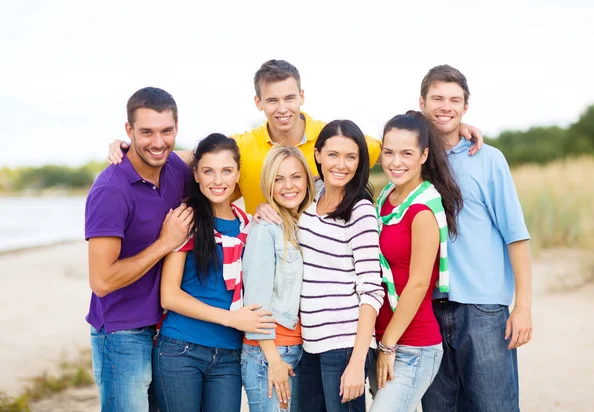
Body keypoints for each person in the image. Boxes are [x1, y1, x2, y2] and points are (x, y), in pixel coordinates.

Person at [106, 60, 484, 214]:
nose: (282, 107)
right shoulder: (243, 146)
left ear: (302, 96)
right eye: (272, 100)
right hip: (269, 270)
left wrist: (448, 129)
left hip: (326, 271)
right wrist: (130, 151)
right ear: (259, 102)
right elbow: (190, 157)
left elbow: (401, 143)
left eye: (289, 97)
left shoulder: (336, 139)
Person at [418, 65, 533, 412]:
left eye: (455, 100)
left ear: (466, 107)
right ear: (421, 102)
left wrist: (523, 306)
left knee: (494, 406)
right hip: (428, 309)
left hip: (483, 310)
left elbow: (516, 236)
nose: (446, 106)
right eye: (437, 98)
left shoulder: (488, 158)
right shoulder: (413, 160)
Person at [85, 87, 194, 411]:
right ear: (128, 131)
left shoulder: (176, 168)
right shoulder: (110, 190)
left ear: (177, 128)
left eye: (166, 131)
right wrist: (164, 243)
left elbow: (221, 157)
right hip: (122, 333)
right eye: (146, 132)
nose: (158, 142)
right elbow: (101, 281)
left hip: (169, 328)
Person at [152, 133, 276, 412]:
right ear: (195, 174)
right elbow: (169, 296)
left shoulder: (249, 225)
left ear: (238, 175)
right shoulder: (186, 220)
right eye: (208, 171)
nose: (218, 181)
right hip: (181, 349)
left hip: (229, 356)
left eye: (226, 171)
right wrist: (232, 319)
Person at [369, 111, 463, 411]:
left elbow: (419, 283)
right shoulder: (386, 197)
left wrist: (388, 346)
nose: (396, 162)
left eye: (407, 153)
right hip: (384, 340)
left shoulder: (422, 209)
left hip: (412, 346)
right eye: (389, 153)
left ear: (424, 155)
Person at [296, 120, 385, 412]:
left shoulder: (360, 211)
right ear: (318, 154)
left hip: (345, 345)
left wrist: (358, 362)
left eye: (351, 157)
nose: (341, 165)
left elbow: (372, 290)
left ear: (360, 162)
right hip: (310, 343)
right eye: (333, 154)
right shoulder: (310, 198)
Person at [241, 145, 315, 412]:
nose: (288, 186)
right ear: (268, 184)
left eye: (296, 176)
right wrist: (272, 359)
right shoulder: (265, 230)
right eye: (278, 179)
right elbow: (256, 303)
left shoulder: (303, 224)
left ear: (307, 179)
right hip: (270, 353)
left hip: (298, 349)